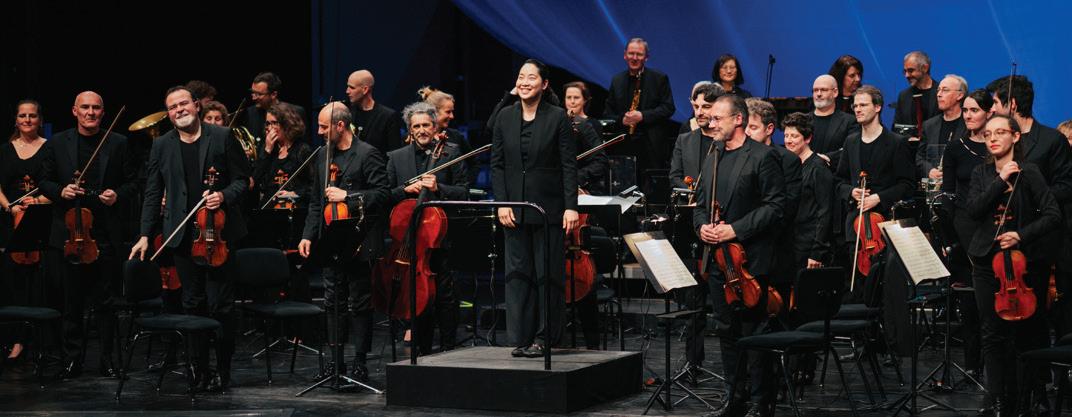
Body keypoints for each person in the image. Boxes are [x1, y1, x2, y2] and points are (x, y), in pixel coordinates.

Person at [130, 86, 250, 391]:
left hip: (219, 235)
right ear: (169, 114)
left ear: (196, 105)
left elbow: (242, 181)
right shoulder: (161, 145)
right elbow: (153, 192)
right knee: (192, 303)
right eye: (172, 107)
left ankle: (223, 370)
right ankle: (199, 369)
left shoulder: (222, 136)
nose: (179, 110)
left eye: (183, 103)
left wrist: (223, 195)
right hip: (182, 235)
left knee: (221, 306)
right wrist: (145, 234)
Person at [693, 94, 785, 417]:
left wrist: (735, 230)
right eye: (710, 118)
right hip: (718, 261)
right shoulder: (713, 156)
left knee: (754, 332)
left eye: (717, 118)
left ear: (738, 120)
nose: (711, 123)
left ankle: (761, 402)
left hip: (749, 261)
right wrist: (702, 227)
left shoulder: (763, 156)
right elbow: (701, 205)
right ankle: (735, 397)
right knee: (726, 331)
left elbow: (775, 207)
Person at [965, 115, 1061, 415]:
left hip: (1023, 263)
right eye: (988, 134)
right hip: (986, 262)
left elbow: (1053, 215)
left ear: (1015, 137)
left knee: (1025, 332)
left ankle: (1028, 396)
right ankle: (995, 398)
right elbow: (973, 210)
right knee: (991, 332)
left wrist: (1021, 234)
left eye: (1000, 132)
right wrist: (1000, 180)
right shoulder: (981, 173)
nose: (993, 138)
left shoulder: (1029, 172)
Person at [39, 91, 138, 380]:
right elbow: (44, 180)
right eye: (85, 107)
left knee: (106, 302)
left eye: (96, 108)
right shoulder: (58, 142)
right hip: (69, 234)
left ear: (103, 113)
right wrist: (61, 191)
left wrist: (116, 195)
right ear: (75, 111)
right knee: (71, 302)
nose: (90, 112)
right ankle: (72, 359)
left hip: (104, 232)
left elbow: (134, 182)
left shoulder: (118, 142)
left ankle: (107, 359)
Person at [491, 58, 579, 358]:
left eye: (531, 77)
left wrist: (571, 207)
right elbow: (497, 165)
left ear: (544, 84)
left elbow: (569, 166)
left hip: (549, 208)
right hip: (513, 208)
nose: (524, 82)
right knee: (519, 275)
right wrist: (502, 203)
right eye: (521, 76)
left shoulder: (557, 117)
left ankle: (545, 337)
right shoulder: (504, 116)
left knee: (547, 275)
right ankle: (522, 336)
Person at [296, 102, 388, 381]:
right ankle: (335, 362)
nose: (319, 131)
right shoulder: (323, 155)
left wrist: (348, 196)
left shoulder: (367, 153)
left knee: (360, 301)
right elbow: (316, 202)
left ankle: (360, 361)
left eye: (323, 127)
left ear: (340, 125)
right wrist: (307, 235)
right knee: (332, 300)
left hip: (359, 238)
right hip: (331, 238)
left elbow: (383, 194)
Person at [385, 101, 469, 353]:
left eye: (426, 125)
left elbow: (464, 192)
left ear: (435, 127)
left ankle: (448, 347)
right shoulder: (396, 158)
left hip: (441, 238)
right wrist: (404, 190)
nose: (422, 130)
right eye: (416, 126)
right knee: (416, 293)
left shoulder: (451, 153)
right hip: (409, 239)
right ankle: (421, 349)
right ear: (410, 130)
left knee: (445, 296)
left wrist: (438, 188)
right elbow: (385, 195)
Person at [835, 85, 914, 293]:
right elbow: (839, 180)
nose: (857, 109)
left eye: (863, 105)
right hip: (855, 225)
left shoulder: (896, 142)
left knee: (885, 287)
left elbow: (907, 185)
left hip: (885, 223)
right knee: (858, 287)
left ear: (877, 107)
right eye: (855, 106)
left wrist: (879, 197)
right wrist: (850, 191)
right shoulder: (851, 142)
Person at [939, 89, 994, 378]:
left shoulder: (996, 146)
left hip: (992, 225)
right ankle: (973, 365)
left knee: (992, 301)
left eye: (975, 110)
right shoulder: (955, 148)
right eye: (966, 110)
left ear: (989, 112)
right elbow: (947, 195)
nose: (969, 115)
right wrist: (950, 239)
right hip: (963, 228)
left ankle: (996, 363)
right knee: (969, 302)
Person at [0, 100, 52, 361]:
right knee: (13, 283)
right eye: (23, 116)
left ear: (40, 119)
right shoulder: (5, 150)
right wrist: (9, 207)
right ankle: (15, 339)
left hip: (41, 220)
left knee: (39, 283)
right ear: (16, 120)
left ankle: (41, 340)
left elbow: (56, 185)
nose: (27, 120)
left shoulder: (50, 147)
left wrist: (39, 201)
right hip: (11, 221)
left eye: (32, 115)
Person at [603, 38, 675, 186]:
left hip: (652, 147)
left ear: (646, 57)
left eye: (639, 54)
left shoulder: (659, 78)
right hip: (624, 146)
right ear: (625, 55)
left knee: (652, 189)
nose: (634, 58)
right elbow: (607, 114)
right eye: (631, 53)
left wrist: (642, 116)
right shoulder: (617, 80)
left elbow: (668, 108)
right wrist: (621, 120)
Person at [782, 112, 833, 269]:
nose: (788, 140)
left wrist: (817, 252)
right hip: (790, 243)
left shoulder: (819, 168)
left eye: (794, 136)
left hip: (809, 246)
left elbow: (825, 212)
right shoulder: (786, 164)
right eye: (786, 136)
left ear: (808, 138)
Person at [252, 102, 312, 209]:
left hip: (293, 208)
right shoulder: (268, 148)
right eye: (267, 123)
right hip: (268, 208)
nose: (269, 128)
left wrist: (295, 193)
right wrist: (267, 151)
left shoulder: (302, 150)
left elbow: (313, 186)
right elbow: (254, 180)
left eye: (274, 123)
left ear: (287, 124)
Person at [917, 75, 968, 179]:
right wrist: (929, 170)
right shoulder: (929, 125)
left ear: (960, 95)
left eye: (945, 90)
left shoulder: (969, 124)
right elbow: (919, 157)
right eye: (938, 90)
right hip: (934, 184)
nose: (939, 94)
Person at [809, 74, 859, 169]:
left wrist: (828, 158)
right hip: (804, 174)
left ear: (835, 92)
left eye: (823, 90)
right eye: (815, 90)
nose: (818, 94)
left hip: (834, 174)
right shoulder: (803, 120)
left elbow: (852, 149)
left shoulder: (850, 121)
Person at [347, 69, 403, 154]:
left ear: (365, 90)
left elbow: (395, 153)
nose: (347, 91)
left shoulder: (387, 116)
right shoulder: (347, 112)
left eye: (352, 88)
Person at [893, 51, 940, 141]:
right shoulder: (903, 96)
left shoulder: (941, 93)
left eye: (911, 70)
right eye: (905, 71)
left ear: (925, 68)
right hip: (910, 148)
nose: (906, 75)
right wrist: (908, 138)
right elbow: (896, 128)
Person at [246, 72, 305, 141]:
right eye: (253, 92)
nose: (253, 98)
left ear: (273, 94)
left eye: (259, 94)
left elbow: (303, 143)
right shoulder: (250, 112)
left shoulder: (295, 112)